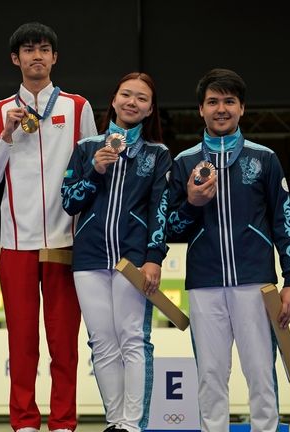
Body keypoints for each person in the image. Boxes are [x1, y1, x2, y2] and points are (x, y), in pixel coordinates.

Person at [166, 68, 290, 432]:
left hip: (255, 282)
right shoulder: (184, 163)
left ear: (242, 108)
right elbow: (168, 228)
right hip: (204, 284)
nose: (221, 109)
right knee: (210, 374)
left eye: (229, 101)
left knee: (260, 371)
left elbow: (284, 222)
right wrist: (192, 202)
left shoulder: (265, 159)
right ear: (200, 110)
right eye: (213, 102)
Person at [0, 22, 97, 432]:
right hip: (16, 244)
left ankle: (63, 422)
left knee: (64, 344)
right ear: (16, 59)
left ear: (55, 57)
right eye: (28, 51)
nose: (37, 57)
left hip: (66, 239)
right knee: (22, 342)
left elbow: (92, 175)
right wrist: (7, 134)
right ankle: (24, 422)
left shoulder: (78, 108)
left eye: (44, 49)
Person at [61, 72, 171, 432]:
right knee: (102, 342)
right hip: (89, 258)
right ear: (113, 99)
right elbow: (68, 202)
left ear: (150, 109)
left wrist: (154, 257)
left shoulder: (157, 155)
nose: (132, 102)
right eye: (126, 94)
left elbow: (161, 208)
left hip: (132, 259)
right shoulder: (87, 147)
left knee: (133, 339)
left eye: (141, 98)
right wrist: (94, 171)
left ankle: (132, 424)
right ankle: (115, 421)